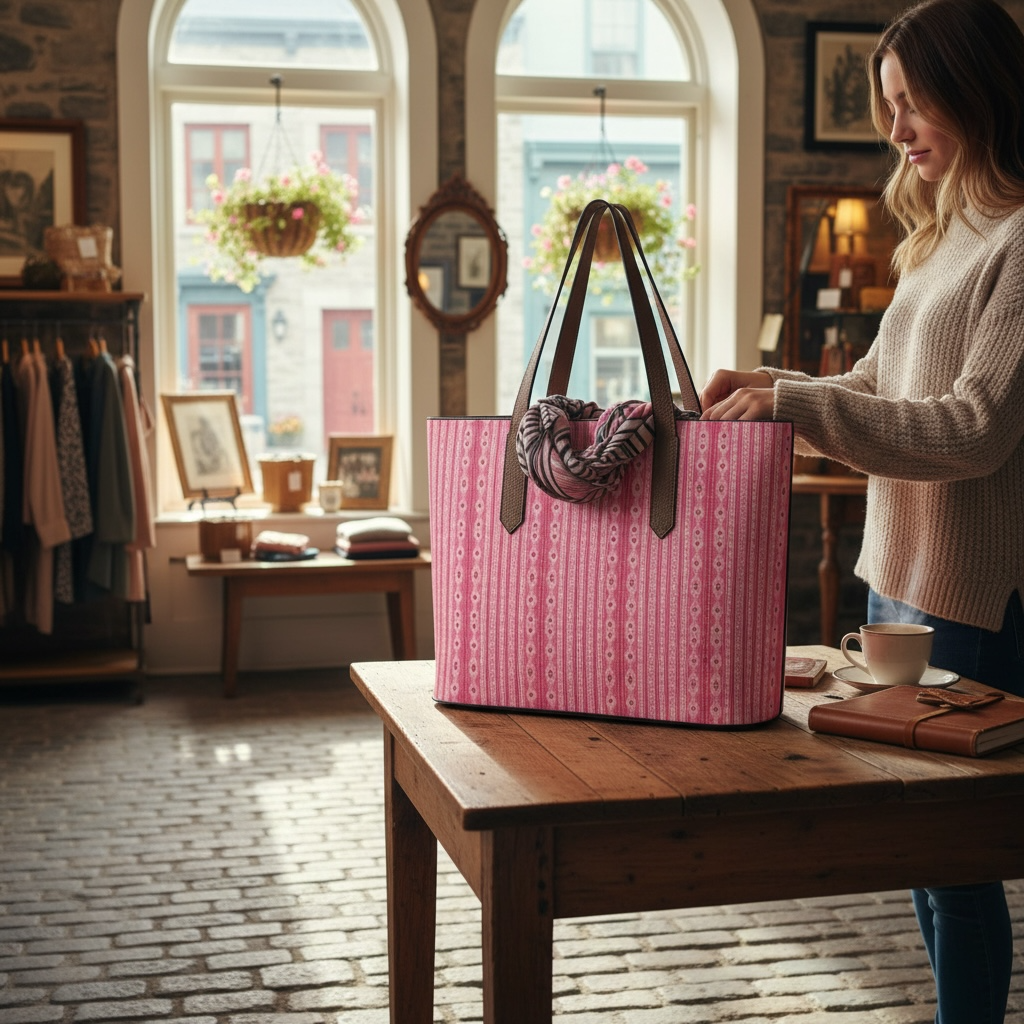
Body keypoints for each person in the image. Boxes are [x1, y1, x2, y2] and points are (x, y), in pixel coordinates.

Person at [700, 1, 1024, 1021]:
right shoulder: (938, 238)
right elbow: (880, 385)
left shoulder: (1019, 241)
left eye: (907, 101)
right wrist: (771, 377)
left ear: (974, 87)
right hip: (896, 581)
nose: (892, 128)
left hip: (974, 597)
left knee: (957, 857)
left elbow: (973, 429)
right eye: (883, 104)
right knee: (925, 857)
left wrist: (791, 403)